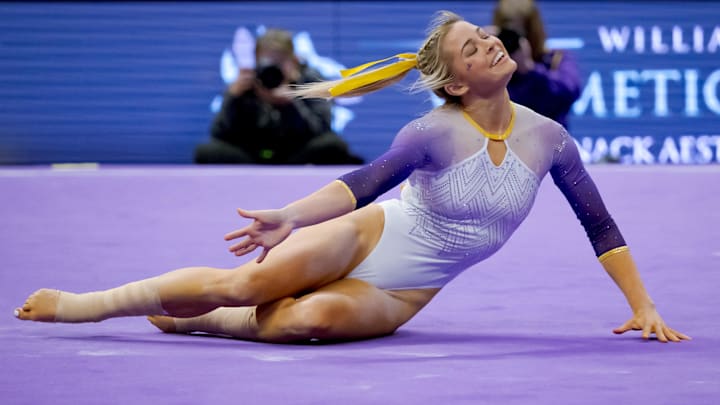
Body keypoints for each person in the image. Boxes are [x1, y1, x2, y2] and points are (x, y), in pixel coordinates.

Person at [15, 11, 688, 344]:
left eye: (488, 35)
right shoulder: (432, 134)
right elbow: (362, 185)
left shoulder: (551, 139)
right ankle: (87, 303)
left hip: (408, 290)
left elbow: (600, 224)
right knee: (251, 279)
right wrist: (289, 217)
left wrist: (643, 304)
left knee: (296, 324)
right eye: (473, 46)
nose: (491, 40)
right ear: (456, 82)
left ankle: (209, 321)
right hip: (370, 235)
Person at [194, 28, 363, 165]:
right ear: (256, 61)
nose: (273, 68)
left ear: (294, 60)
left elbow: (322, 130)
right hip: (252, 155)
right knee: (206, 152)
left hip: (295, 154)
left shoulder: (310, 80)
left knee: (333, 146)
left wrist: (291, 103)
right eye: (267, 62)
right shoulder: (246, 83)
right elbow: (219, 133)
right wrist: (233, 98)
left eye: (280, 62)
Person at [490, 0, 581, 129]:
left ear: (533, 31)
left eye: (520, 34)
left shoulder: (556, 60)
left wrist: (530, 69)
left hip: (551, 146)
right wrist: (481, 47)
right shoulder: (491, 67)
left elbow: (569, 92)